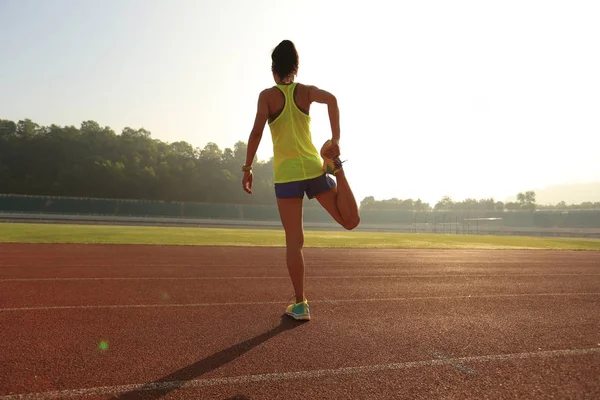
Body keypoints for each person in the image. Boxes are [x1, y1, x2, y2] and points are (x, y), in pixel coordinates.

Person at [242, 39, 360, 321]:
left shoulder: (267, 97)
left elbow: (257, 132)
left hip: (287, 177)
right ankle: (338, 168)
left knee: (294, 242)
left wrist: (247, 167)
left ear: (273, 71)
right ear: (296, 68)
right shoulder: (305, 92)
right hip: (314, 169)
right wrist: (336, 140)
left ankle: (300, 304)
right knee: (350, 221)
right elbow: (331, 99)